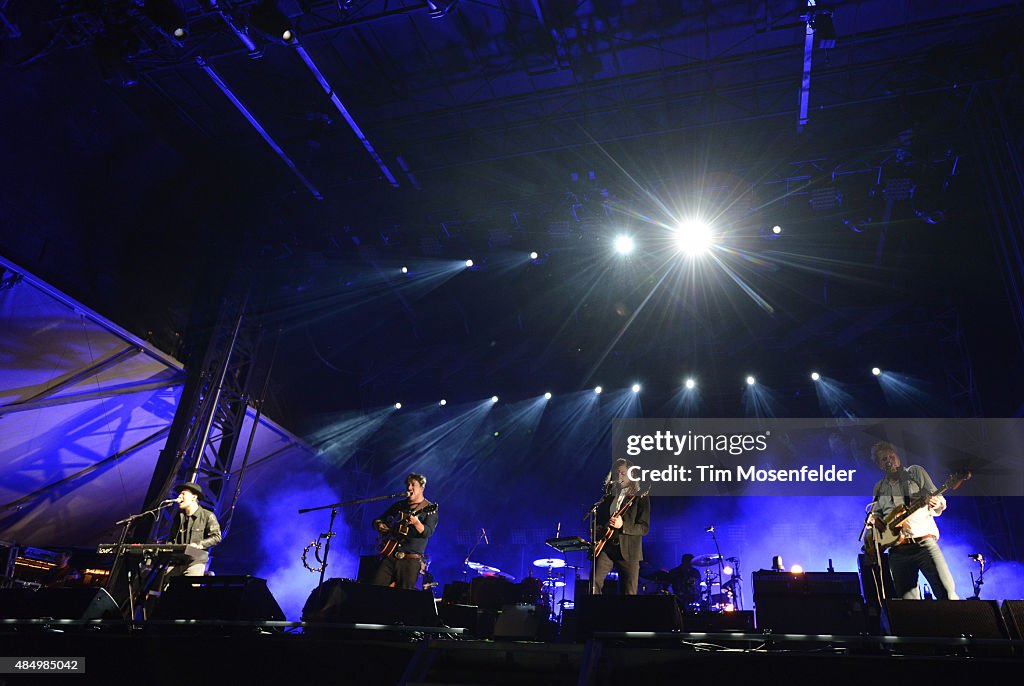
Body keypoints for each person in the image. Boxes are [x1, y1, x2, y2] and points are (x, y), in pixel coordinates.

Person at [867, 441, 957, 599]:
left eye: (891, 456)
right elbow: (877, 517)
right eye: (884, 459)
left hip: (923, 544)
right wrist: (874, 523)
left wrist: (936, 502)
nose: (889, 460)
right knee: (909, 605)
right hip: (897, 552)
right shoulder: (879, 488)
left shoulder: (915, 472)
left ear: (898, 458)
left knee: (946, 593)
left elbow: (939, 498)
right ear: (880, 465)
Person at [593, 458, 650, 595]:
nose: (619, 476)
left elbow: (644, 528)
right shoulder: (608, 497)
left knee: (629, 592)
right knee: (594, 582)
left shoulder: (640, 497)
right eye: (617, 473)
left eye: (623, 473)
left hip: (629, 551)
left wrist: (623, 525)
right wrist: (597, 531)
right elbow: (600, 520)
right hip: (607, 547)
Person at [371, 473, 438, 590]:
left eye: (413, 485)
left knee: (404, 597)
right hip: (390, 556)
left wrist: (417, 523)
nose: (409, 488)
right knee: (375, 588)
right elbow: (378, 520)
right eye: (408, 484)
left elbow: (428, 532)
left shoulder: (429, 508)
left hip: (410, 561)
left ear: (422, 487)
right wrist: (381, 526)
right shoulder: (399, 505)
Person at [165, 482, 222, 577]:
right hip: (177, 561)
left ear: (194, 497)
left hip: (196, 561)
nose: (179, 496)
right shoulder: (179, 517)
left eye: (183, 493)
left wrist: (200, 545)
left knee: (189, 588)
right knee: (167, 588)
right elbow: (171, 539)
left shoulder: (208, 515)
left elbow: (217, 537)